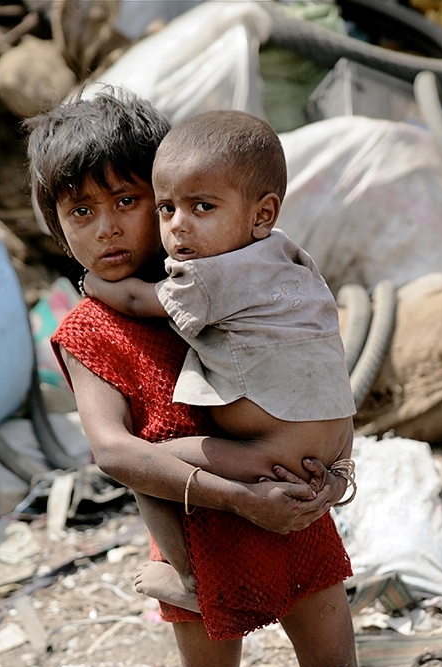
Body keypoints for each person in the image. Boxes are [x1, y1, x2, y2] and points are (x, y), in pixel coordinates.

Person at [27, 91, 422, 667]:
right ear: (57, 229)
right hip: (205, 540)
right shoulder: (93, 328)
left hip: (297, 517)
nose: (112, 227)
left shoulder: (221, 277)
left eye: (130, 199)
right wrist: (245, 494)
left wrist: (317, 462)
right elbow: (115, 453)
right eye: (79, 211)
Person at [82, 110, 357, 613]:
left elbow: (142, 303)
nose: (178, 226)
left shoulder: (212, 274)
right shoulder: (289, 260)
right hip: (332, 451)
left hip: (272, 457)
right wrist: (340, 474)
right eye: (166, 210)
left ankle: (185, 578)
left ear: (262, 215)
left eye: (202, 207)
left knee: (150, 461)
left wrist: (93, 284)